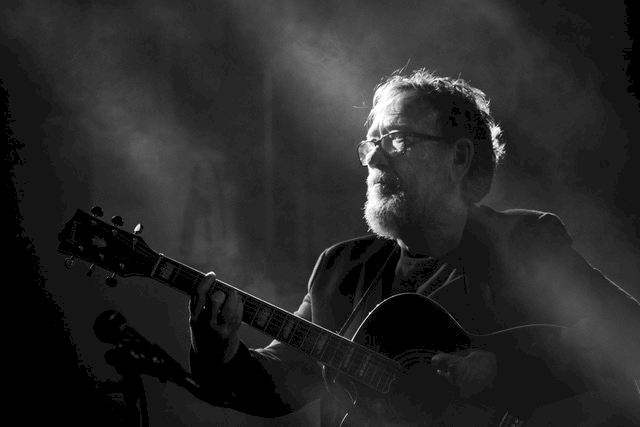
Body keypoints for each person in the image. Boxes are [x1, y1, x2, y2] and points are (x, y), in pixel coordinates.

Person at [188, 69, 640, 426]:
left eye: (397, 139)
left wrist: (502, 369)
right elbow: (282, 381)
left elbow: (622, 335)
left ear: (458, 157)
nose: (374, 159)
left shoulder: (523, 243)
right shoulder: (341, 270)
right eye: (371, 144)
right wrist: (218, 349)